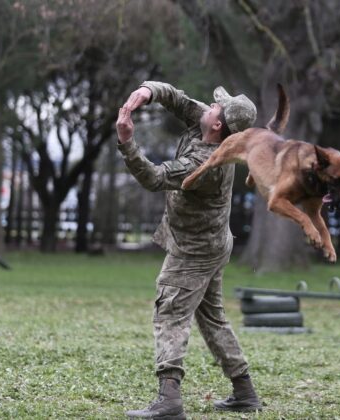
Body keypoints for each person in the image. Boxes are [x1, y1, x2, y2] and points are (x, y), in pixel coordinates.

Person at [116, 81, 261, 419]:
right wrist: (149, 91)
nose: (207, 105)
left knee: (170, 312)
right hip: (213, 243)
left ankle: (169, 399)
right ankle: (245, 391)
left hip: (195, 251)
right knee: (212, 318)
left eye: (215, 106)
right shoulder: (210, 125)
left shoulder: (206, 163)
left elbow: (153, 178)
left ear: (217, 125)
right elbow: (178, 100)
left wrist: (126, 141)